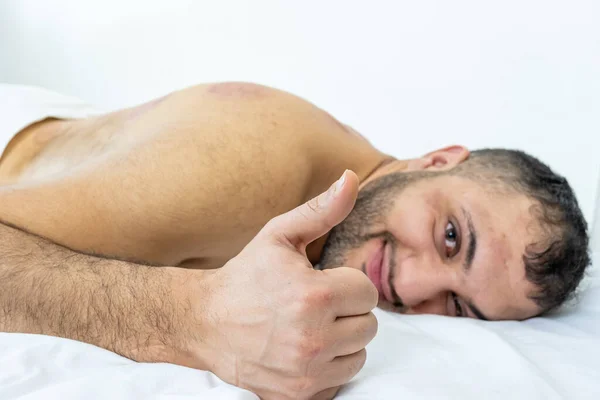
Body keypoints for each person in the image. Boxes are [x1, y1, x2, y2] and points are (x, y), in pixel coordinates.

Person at [0, 82, 589, 399]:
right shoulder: (241, 167)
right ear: (437, 159)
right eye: (452, 237)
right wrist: (188, 319)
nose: (410, 288)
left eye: (458, 305)